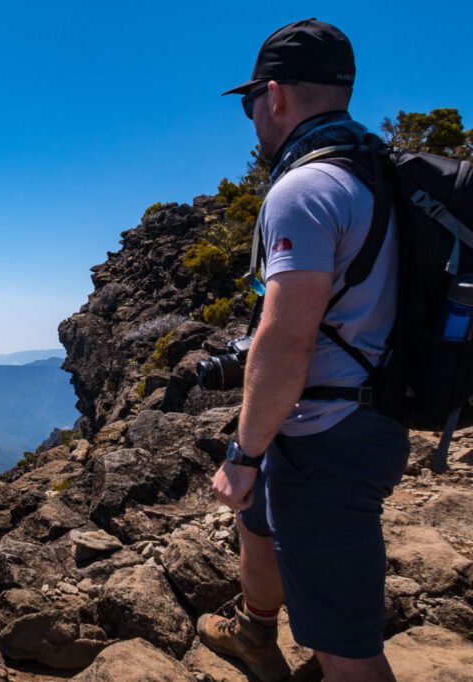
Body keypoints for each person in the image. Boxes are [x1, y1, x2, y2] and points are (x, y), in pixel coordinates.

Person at [196, 18, 410, 682]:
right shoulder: (374, 171)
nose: (252, 114)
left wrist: (243, 453)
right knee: (256, 520)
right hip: (342, 411)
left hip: (331, 433)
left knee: (346, 648)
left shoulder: (304, 189)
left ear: (278, 94)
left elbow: (287, 342)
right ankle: (258, 632)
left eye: (251, 99)